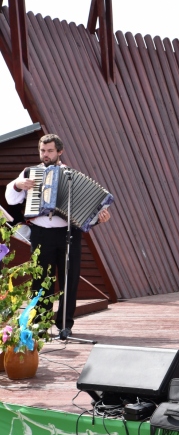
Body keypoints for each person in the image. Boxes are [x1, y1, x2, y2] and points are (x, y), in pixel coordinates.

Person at [5, 134, 112, 339]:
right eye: (42, 151)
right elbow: (11, 198)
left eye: (50, 151)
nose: (45, 155)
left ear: (59, 152)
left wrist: (100, 218)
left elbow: (86, 211)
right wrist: (19, 184)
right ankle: (40, 325)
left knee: (69, 279)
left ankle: (65, 326)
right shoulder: (29, 173)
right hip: (40, 233)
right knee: (40, 279)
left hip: (68, 234)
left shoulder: (71, 176)